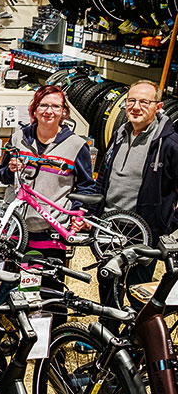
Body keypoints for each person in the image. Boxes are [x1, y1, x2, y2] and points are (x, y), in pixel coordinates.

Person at [0, 85, 95, 322]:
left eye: (55, 106)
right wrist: (9, 170)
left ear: (64, 112)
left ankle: (53, 345)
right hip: (18, 230)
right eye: (44, 105)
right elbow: (2, 175)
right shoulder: (19, 137)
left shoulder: (76, 145)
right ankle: (15, 335)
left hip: (52, 230)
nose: (49, 111)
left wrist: (78, 214)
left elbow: (87, 186)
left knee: (51, 290)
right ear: (34, 108)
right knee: (13, 283)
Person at [93, 80, 178, 315]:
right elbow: (103, 176)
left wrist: (169, 225)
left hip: (142, 233)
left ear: (158, 106)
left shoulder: (169, 143)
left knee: (136, 293)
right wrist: (93, 215)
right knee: (107, 285)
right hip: (108, 229)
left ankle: (135, 347)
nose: (136, 107)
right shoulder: (120, 134)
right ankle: (107, 341)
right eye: (131, 101)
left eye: (144, 102)